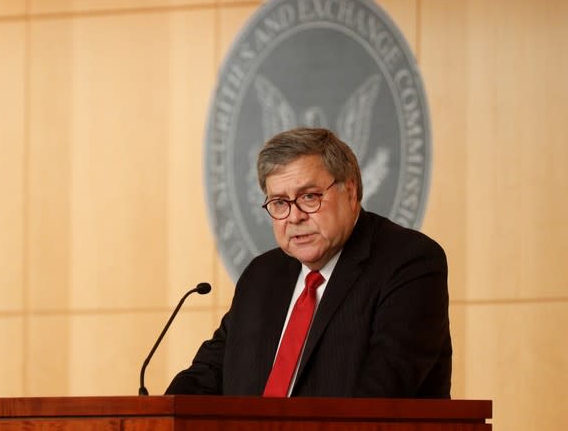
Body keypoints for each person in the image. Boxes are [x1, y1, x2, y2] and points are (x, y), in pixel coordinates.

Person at [166, 127, 451, 398]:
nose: (294, 216)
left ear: (350, 192)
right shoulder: (262, 275)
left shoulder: (409, 262)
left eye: (309, 197)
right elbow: (208, 374)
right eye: (279, 202)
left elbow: (383, 393)